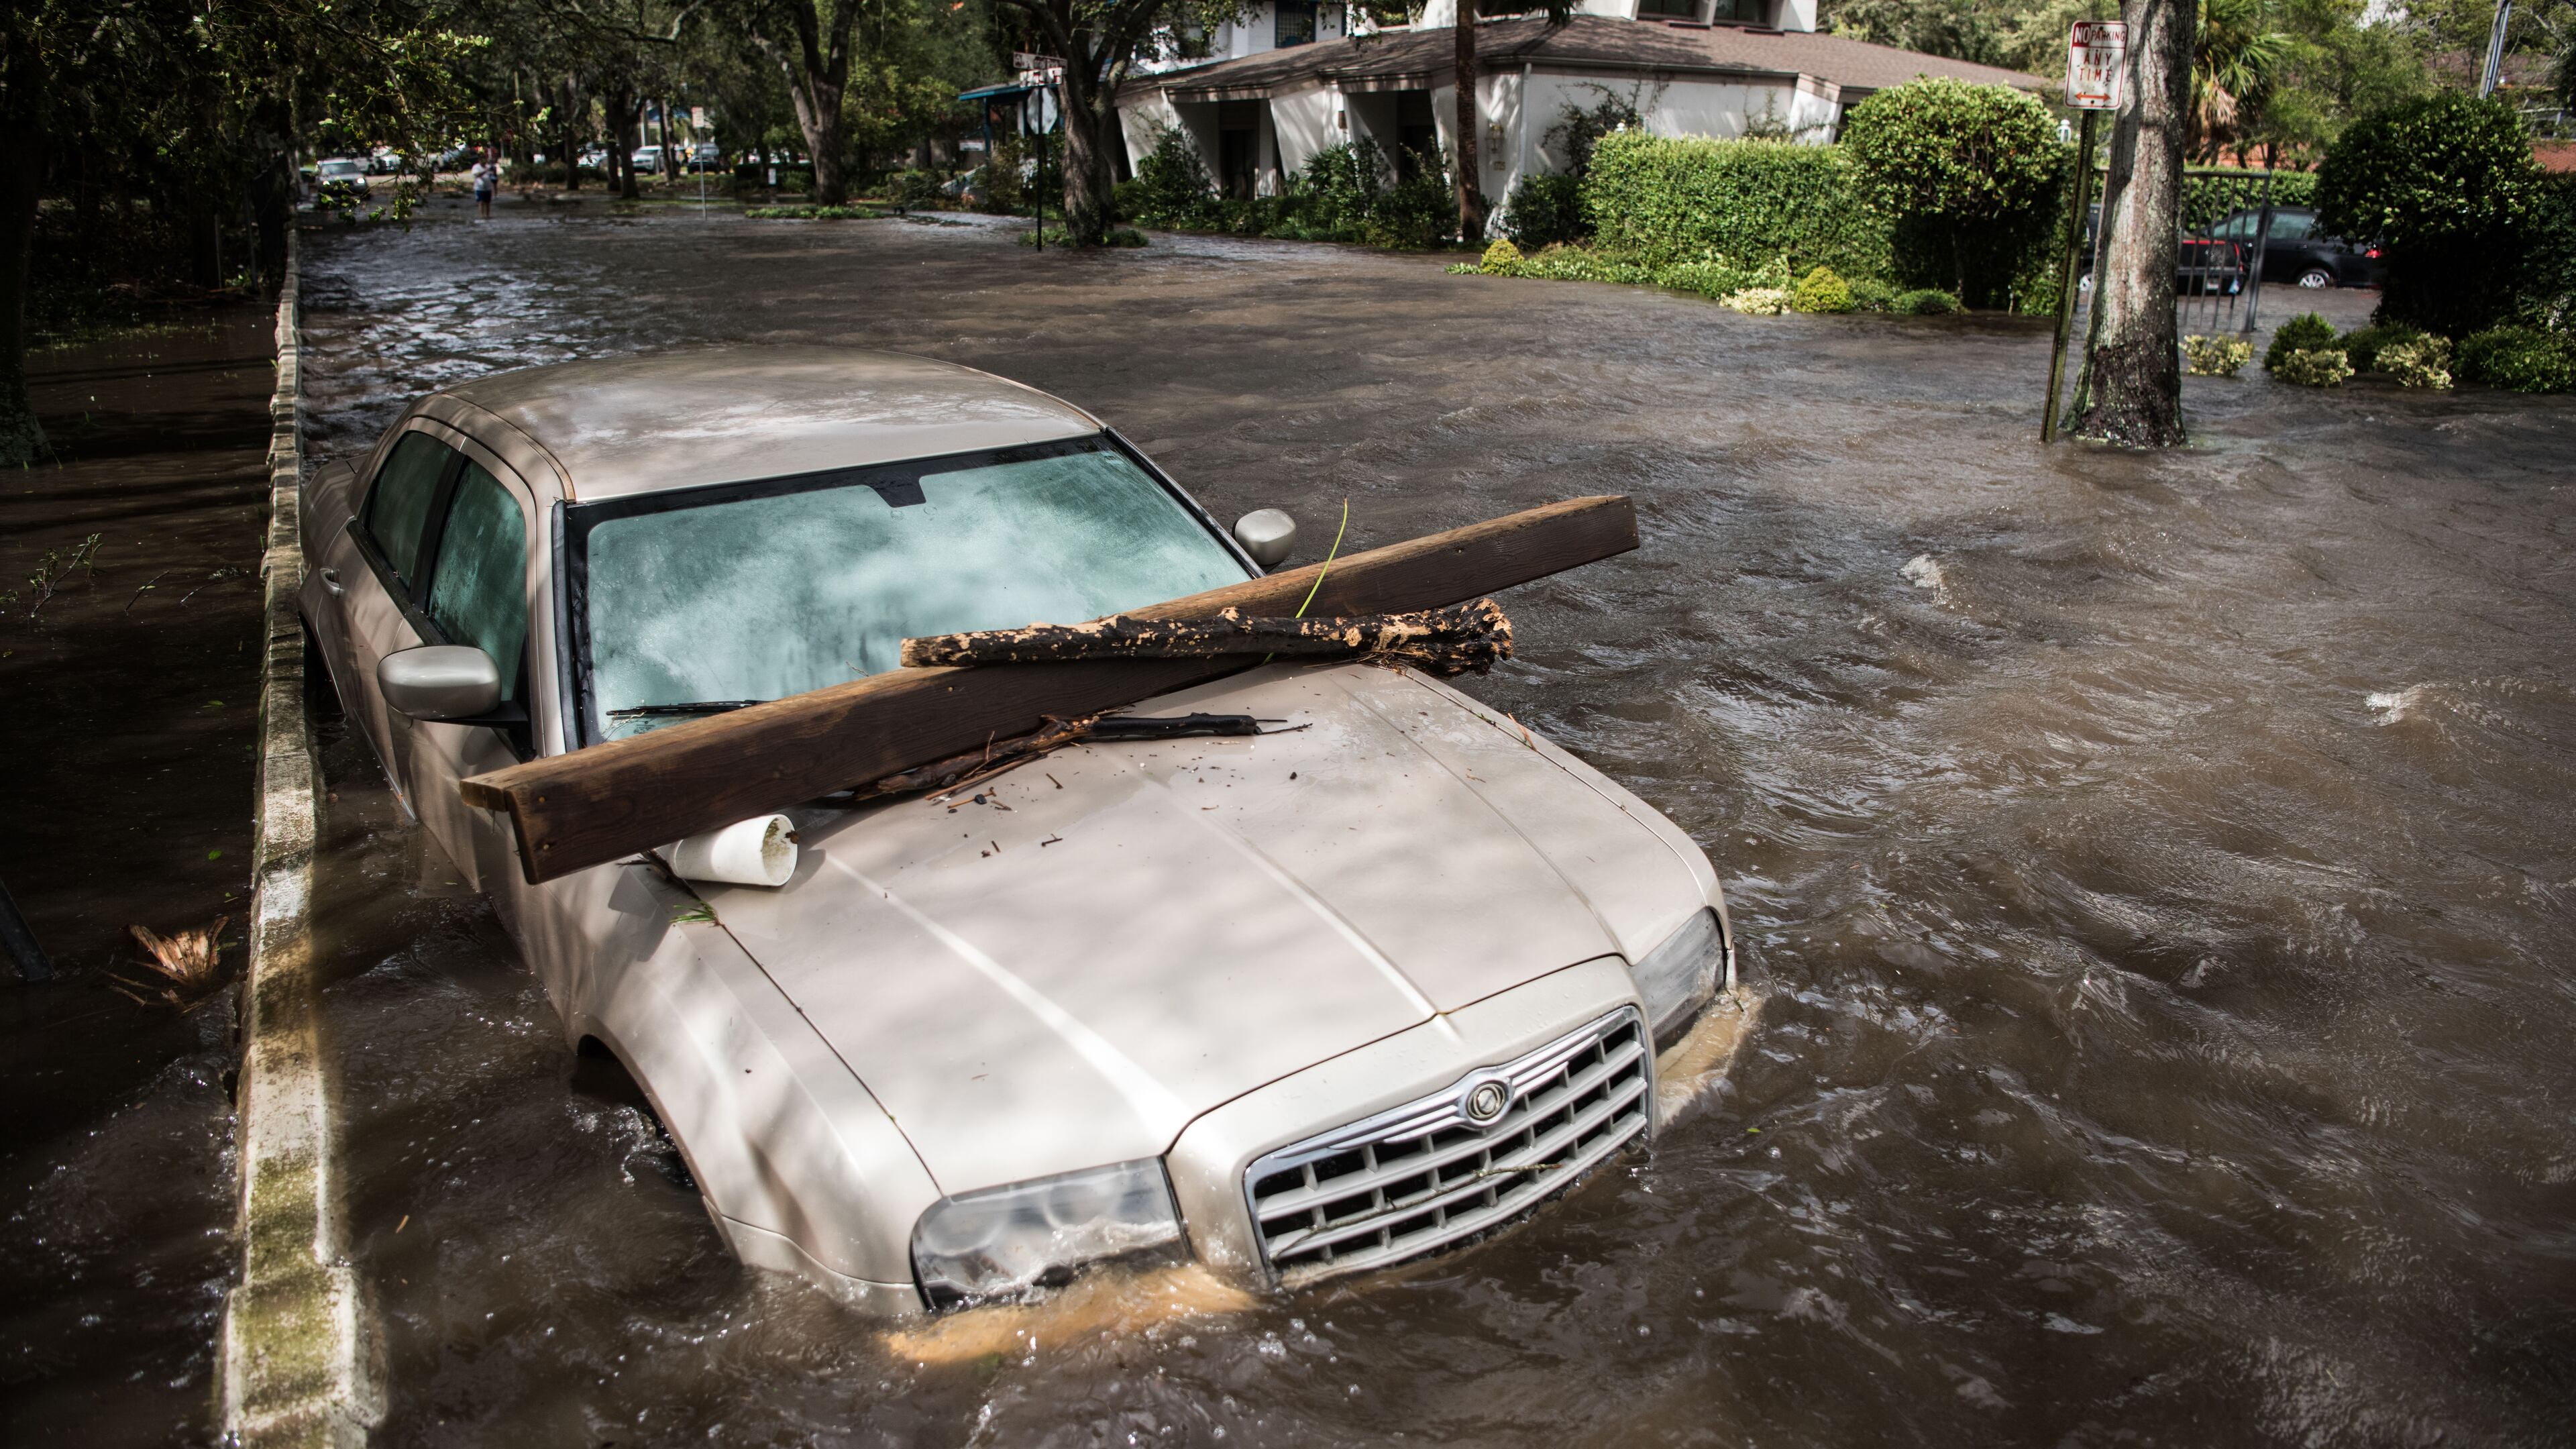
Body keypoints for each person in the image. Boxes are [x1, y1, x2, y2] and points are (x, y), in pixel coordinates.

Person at [472, 153, 497, 221]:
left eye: (485, 160)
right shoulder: (476, 167)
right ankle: (482, 215)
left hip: (488, 187)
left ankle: (488, 215)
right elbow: (477, 175)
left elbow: (493, 176)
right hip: (479, 187)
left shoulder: (488, 167)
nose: (483, 161)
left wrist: (494, 170)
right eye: (482, 160)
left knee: (488, 202)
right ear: (479, 160)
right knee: (481, 202)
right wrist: (486, 171)